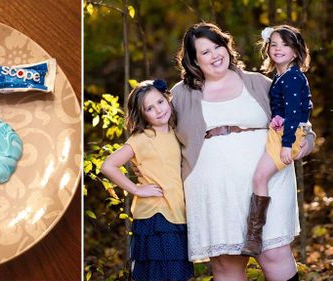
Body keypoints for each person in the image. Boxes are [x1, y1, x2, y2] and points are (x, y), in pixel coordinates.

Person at [170, 23, 314, 281]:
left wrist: (307, 143)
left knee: (274, 254)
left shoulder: (259, 83)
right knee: (227, 264)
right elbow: (161, 135)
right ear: (193, 60)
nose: (215, 55)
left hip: (268, 182)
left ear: (227, 46)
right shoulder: (181, 94)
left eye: (218, 46)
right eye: (205, 52)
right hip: (212, 189)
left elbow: (298, 113)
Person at [101, 80, 194, 281]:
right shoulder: (141, 139)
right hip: (156, 216)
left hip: (177, 212)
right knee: (159, 274)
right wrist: (137, 189)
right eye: (149, 108)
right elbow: (108, 166)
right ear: (142, 114)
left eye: (160, 102)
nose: (158, 110)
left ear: (167, 99)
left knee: (176, 274)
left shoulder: (175, 131)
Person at [241, 25, 313, 257]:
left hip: (287, 136)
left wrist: (286, 144)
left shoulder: (292, 77)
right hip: (280, 133)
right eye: (274, 44)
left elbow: (294, 114)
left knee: (260, 176)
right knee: (258, 176)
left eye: (285, 44)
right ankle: (256, 235)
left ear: (296, 51)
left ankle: (254, 238)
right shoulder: (280, 76)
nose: (278, 49)